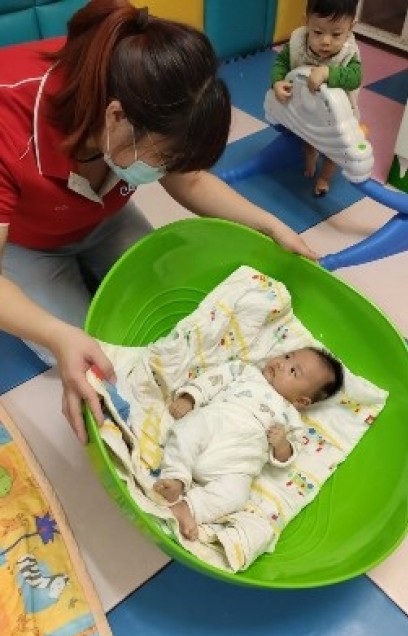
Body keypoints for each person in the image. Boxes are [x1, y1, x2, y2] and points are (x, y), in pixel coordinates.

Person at [0, 0, 317, 445]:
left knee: (174, 314)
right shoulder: (10, 122)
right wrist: (57, 336)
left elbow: (191, 179)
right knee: (90, 359)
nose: (167, 170)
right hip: (26, 240)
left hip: (103, 215)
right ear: (115, 117)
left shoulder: (140, 79)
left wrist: (271, 225)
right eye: (164, 158)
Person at [153, 347, 344, 540]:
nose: (281, 364)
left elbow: (287, 456)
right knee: (188, 430)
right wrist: (190, 398)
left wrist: (281, 444)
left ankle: (188, 508)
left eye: (293, 371)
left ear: (301, 401)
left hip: (237, 464)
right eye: (287, 356)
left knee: (238, 495)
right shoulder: (246, 372)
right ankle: (176, 479)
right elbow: (213, 380)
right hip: (214, 425)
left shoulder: (292, 419)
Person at [271, 0, 361, 196]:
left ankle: (325, 178)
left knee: (334, 149)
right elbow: (282, 62)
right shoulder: (298, 42)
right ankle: (310, 152)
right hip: (306, 106)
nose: (326, 41)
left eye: (336, 34)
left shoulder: (347, 53)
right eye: (318, 32)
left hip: (336, 115)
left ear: (351, 27)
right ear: (307, 23)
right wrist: (277, 81)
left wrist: (329, 73)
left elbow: (355, 77)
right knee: (307, 134)